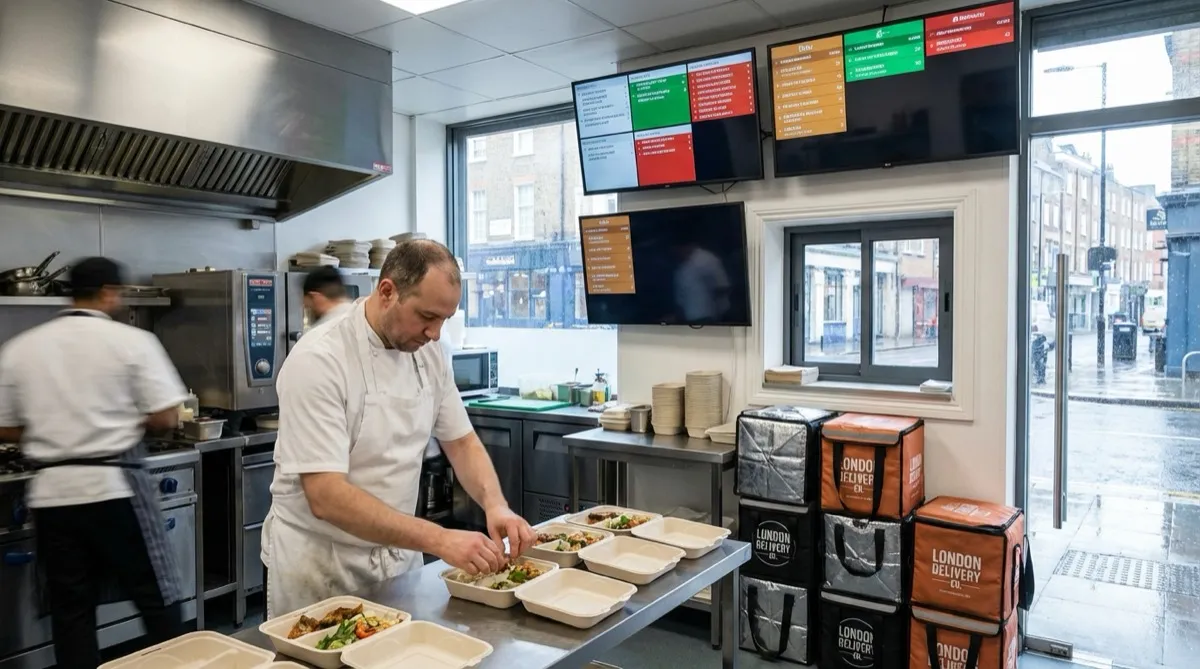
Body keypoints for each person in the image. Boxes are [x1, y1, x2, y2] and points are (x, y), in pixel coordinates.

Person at [262, 239, 534, 617]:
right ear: (387, 291)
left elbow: (461, 441)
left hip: (397, 560)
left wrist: (496, 505)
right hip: (324, 568)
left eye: (444, 320)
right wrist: (439, 539)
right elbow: (325, 495)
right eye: (427, 317)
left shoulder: (429, 352)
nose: (435, 333)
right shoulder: (320, 359)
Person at [0, 257, 188, 669]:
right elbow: (167, 417)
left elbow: (6, 428)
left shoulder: (21, 348)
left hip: (53, 495)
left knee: (72, 612)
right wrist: (121, 421)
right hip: (115, 488)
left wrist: (56, 429)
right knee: (156, 598)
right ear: (108, 292)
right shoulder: (131, 341)